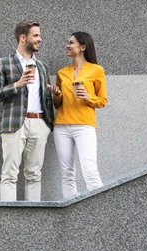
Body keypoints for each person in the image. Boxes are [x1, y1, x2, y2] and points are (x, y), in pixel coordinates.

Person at [0, 20, 55, 201]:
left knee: (34, 174)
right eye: (36, 35)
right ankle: (8, 219)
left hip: (40, 123)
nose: (40, 39)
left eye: (39, 35)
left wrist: (48, 123)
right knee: (9, 174)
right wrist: (17, 84)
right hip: (14, 123)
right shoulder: (3, 63)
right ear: (23, 37)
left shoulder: (41, 66)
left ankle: (33, 220)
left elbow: (46, 98)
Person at [47, 32, 107, 199]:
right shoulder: (62, 73)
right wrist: (56, 94)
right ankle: (71, 209)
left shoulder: (96, 70)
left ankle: (100, 206)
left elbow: (102, 101)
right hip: (62, 126)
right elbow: (57, 105)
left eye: (71, 42)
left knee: (89, 169)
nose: (67, 45)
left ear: (83, 47)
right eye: (68, 42)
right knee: (67, 172)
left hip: (84, 126)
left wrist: (88, 97)